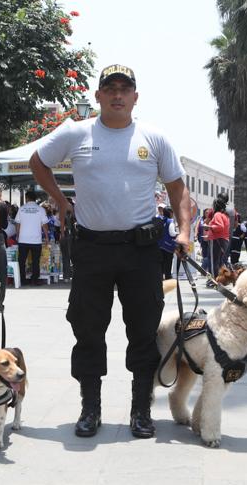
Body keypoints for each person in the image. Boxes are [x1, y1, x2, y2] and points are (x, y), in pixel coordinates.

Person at [29, 63, 191, 439]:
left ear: (135, 97)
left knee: (143, 331)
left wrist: (184, 232)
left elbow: (177, 188)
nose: (117, 95)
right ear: (98, 95)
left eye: (125, 89)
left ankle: (140, 411)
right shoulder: (76, 132)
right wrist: (61, 201)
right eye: (110, 88)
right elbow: (38, 162)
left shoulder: (154, 137)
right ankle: (90, 409)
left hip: (141, 251)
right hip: (92, 250)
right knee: (87, 331)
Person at [15, 190, 49, 286]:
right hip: (36, 240)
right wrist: (46, 237)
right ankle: (34, 280)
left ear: (26, 198)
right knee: (35, 261)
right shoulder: (41, 210)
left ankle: (22, 280)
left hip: (23, 239)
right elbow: (45, 225)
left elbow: (17, 224)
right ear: (35, 198)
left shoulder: (21, 209)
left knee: (22, 261)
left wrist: (17, 235)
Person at [206, 194, 231, 286]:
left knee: (213, 262)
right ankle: (222, 280)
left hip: (216, 240)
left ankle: (213, 281)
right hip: (223, 240)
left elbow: (220, 227)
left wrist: (209, 227)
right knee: (219, 262)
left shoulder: (217, 215)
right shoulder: (225, 215)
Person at [157, 206, 179, 280]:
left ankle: (160, 279)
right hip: (168, 246)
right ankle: (168, 278)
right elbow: (172, 233)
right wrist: (178, 234)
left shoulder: (159, 219)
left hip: (159, 245)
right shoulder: (170, 221)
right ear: (170, 213)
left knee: (161, 264)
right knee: (168, 263)